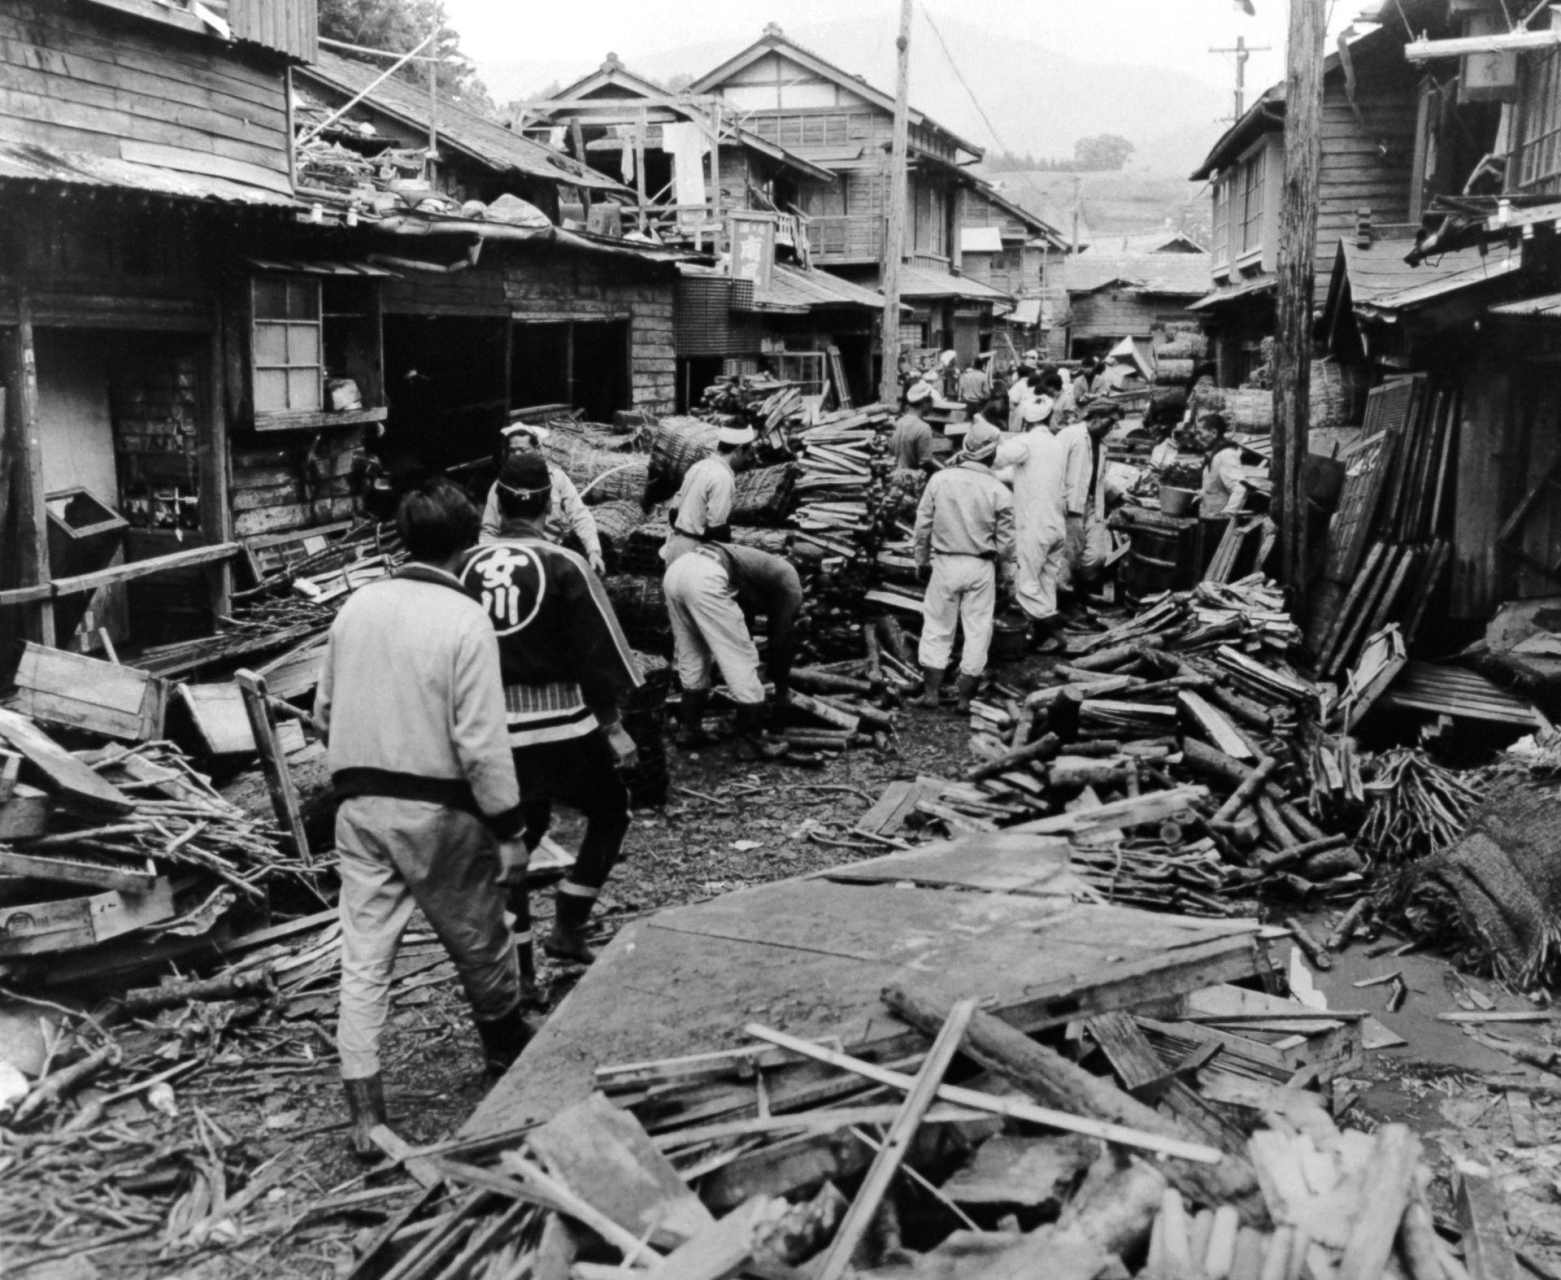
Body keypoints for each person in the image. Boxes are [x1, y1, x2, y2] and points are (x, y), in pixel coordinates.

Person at [315, 478, 529, 1159]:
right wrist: (509, 830)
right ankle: (504, 1056)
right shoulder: (465, 618)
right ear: (469, 544)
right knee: (481, 941)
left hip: (357, 808)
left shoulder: (357, 606)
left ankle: (365, 1112)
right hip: (438, 811)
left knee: (364, 958)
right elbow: (481, 743)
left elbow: (323, 713)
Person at [460, 454, 643, 972]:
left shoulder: (465, 566)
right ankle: (568, 920)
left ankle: (518, 965)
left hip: (490, 727)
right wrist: (612, 725)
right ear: (549, 503)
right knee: (611, 810)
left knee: (517, 833)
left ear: (497, 500)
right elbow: (597, 647)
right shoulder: (565, 564)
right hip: (562, 722)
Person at [913, 419, 1016, 712]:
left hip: (945, 562)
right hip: (981, 566)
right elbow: (1007, 544)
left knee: (936, 627)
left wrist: (921, 560)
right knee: (978, 631)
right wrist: (1007, 577)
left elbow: (923, 526)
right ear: (992, 454)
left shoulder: (940, 480)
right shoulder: (999, 491)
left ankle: (931, 694)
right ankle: (964, 699)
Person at [664, 538, 802, 751]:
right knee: (741, 658)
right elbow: (781, 638)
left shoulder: (760, 571)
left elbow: (745, 617)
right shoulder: (788, 581)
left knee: (692, 655)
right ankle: (750, 742)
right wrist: (782, 688)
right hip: (706, 577)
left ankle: (689, 730)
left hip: (678, 570)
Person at [480, 425, 604, 575]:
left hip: (550, 553)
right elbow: (489, 529)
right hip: (510, 554)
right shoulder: (501, 485)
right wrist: (486, 558)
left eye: (523, 449)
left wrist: (593, 550)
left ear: (537, 450)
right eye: (512, 451)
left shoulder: (556, 478)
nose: (517, 454)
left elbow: (579, 514)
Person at [996, 398, 1068, 648]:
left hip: (1033, 526)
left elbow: (994, 457)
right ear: (1049, 418)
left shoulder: (1026, 442)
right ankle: (1045, 638)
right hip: (1056, 525)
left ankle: (1054, 627)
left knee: (1024, 585)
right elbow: (1021, 473)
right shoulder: (1055, 444)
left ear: (1025, 421)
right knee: (1047, 582)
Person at [662, 424, 758, 565]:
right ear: (737, 451)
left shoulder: (699, 466)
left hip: (675, 549)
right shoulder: (722, 477)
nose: (746, 459)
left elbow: (673, 511)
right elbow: (716, 528)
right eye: (746, 454)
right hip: (695, 554)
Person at [1058, 400, 1122, 599]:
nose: (1110, 428)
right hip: (1071, 504)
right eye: (1108, 422)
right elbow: (1055, 469)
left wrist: (1120, 495)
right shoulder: (1070, 435)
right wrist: (1059, 500)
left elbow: (1098, 477)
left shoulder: (1101, 445)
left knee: (1097, 555)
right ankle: (1067, 601)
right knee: (1068, 557)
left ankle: (1079, 592)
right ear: (1095, 416)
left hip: (1093, 503)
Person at [1197, 412, 1248, 568]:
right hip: (1209, 521)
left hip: (1219, 526)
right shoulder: (1216, 454)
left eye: (1200, 433)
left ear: (1213, 433)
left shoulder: (1226, 455)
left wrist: (1228, 513)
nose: (1198, 438)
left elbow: (1240, 487)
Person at [889, 382, 936, 474]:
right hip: (910, 481)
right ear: (924, 402)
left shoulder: (897, 423)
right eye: (930, 401)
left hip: (894, 477)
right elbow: (925, 463)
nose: (932, 405)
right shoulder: (923, 428)